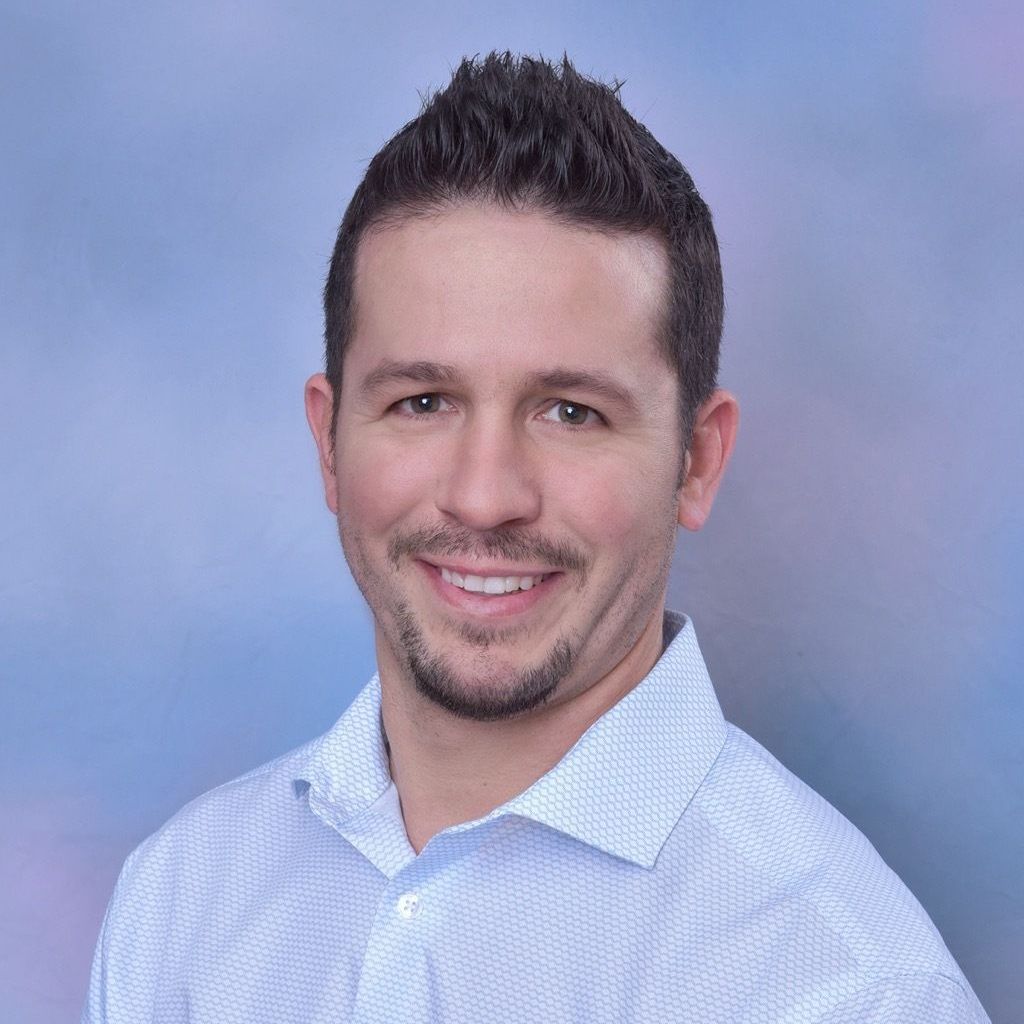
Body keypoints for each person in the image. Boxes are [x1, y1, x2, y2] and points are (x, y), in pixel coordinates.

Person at [82, 52, 990, 1023]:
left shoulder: (843, 988)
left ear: (697, 461)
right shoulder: (180, 902)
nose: (483, 497)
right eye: (422, 401)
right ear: (328, 441)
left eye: (570, 412)